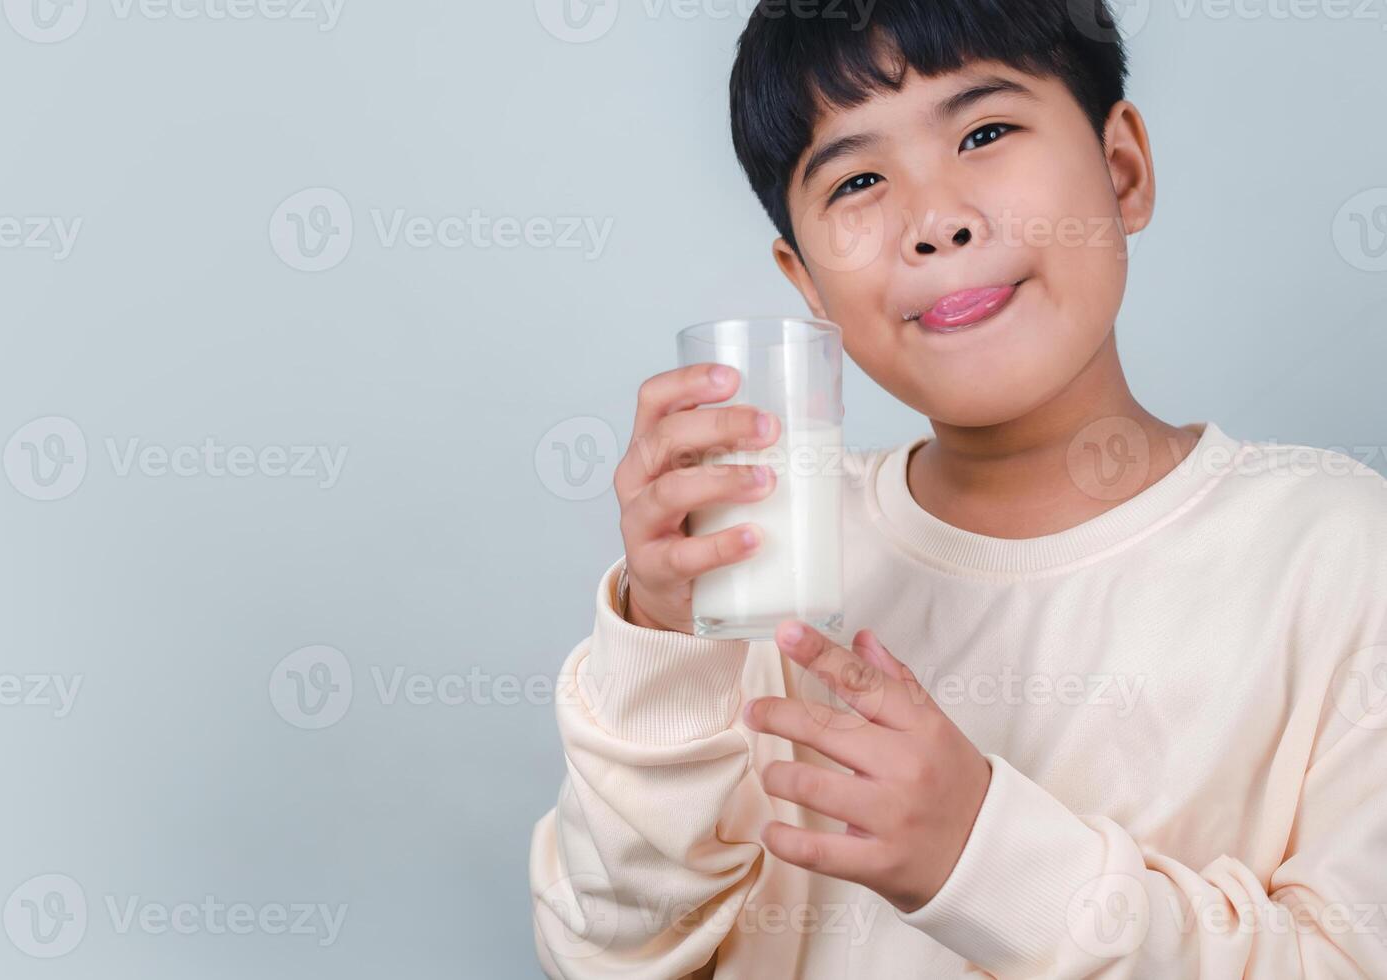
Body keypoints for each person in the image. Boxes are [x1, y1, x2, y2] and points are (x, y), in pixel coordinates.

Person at [527, 1, 1387, 976]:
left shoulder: (1339, 553)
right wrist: (663, 643)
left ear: (1120, 170)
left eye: (983, 132)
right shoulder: (768, 563)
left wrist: (979, 853)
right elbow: (606, 953)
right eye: (856, 179)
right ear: (804, 283)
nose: (934, 220)